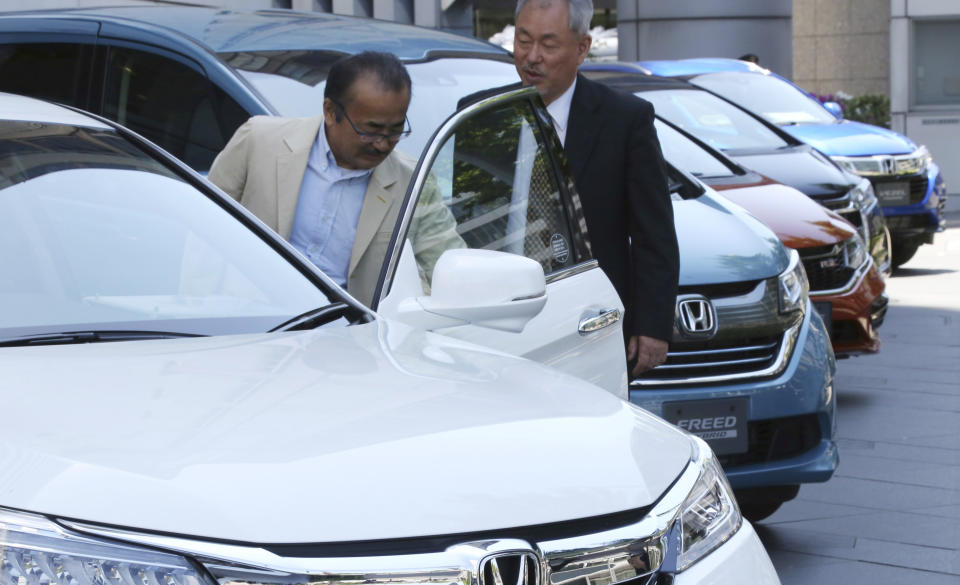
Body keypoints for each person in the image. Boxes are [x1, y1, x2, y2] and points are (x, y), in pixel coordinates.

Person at [208, 51, 461, 307]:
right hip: (248, 324)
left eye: (395, 131)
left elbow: (449, 267)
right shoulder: (259, 141)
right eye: (370, 130)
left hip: (347, 336)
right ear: (330, 111)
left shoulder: (413, 183)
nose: (383, 144)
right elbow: (203, 231)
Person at [513, 0, 679, 377]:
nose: (531, 57)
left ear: (582, 48)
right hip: (502, 324)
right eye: (523, 41)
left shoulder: (625, 120)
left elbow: (655, 234)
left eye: (549, 45)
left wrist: (652, 327)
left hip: (590, 324)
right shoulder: (481, 116)